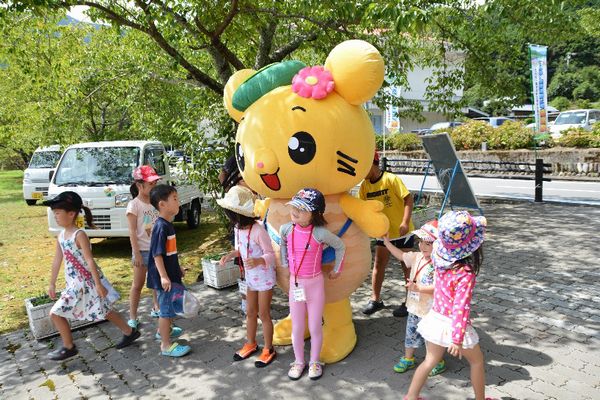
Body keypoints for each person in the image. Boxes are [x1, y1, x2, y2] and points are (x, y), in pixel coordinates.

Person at [404, 211, 492, 400]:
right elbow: (461, 307)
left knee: (429, 361)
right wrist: (457, 339)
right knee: (477, 362)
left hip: (435, 318)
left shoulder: (438, 257)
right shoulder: (465, 272)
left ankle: (411, 396)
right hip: (453, 324)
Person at [44, 191, 141, 361]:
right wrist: (51, 283)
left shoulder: (79, 235)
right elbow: (57, 260)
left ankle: (69, 346)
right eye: (54, 214)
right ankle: (129, 332)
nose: (56, 217)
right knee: (105, 310)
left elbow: (89, 261)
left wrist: (98, 284)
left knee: (55, 313)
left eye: (58, 213)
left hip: (85, 283)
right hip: (75, 283)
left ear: (72, 213)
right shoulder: (60, 236)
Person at [279, 188, 346, 381]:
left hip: (315, 284)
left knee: (315, 326)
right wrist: (284, 263)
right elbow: (283, 243)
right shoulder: (286, 229)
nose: (295, 212)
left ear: (315, 214)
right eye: (294, 207)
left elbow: (340, 246)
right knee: (297, 327)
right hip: (295, 284)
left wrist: (337, 270)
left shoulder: (320, 233)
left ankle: (315, 361)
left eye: (302, 209)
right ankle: (299, 361)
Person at [217, 185, 277, 368]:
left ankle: (269, 348)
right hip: (251, 279)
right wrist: (230, 255)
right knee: (250, 312)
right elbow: (240, 249)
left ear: (237, 214)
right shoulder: (238, 229)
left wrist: (259, 261)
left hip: (264, 278)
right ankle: (251, 342)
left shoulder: (259, 230)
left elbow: (271, 255)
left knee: (263, 313)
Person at [382, 220, 446, 377]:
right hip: (414, 307)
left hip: (431, 310)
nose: (422, 246)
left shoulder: (440, 265)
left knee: (431, 338)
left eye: (428, 244)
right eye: (421, 242)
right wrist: (387, 242)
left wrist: (419, 288)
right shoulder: (416, 257)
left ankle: (437, 361)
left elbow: (439, 287)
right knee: (410, 333)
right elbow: (401, 255)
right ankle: (408, 358)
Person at [359, 151, 414, 317]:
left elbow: (408, 199)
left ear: (373, 163)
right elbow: (362, 209)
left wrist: (405, 222)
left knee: (407, 267)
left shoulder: (391, 179)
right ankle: (375, 300)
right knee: (378, 265)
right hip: (383, 234)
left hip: (403, 233)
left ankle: (410, 302)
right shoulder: (364, 186)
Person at [147, 184, 191, 357]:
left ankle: (163, 332)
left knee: (169, 308)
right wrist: (164, 277)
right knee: (165, 311)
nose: (178, 202)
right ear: (162, 204)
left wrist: (177, 268)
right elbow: (157, 255)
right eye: (174, 199)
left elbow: (168, 253)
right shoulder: (161, 227)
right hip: (163, 278)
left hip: (170, 274)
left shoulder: (168, 225)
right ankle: (166, 345)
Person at [126, 165, 161, 329]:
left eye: (155, 183)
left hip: (157, 251)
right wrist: (137, 253)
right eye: (151, 184)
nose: (154, 187)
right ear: (139, 186)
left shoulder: (156, 203)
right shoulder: (134, 205)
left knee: (156, 282)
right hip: (142, 251)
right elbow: (132, 231)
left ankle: (157, 307)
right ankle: (132, 316)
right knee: (138, 285)